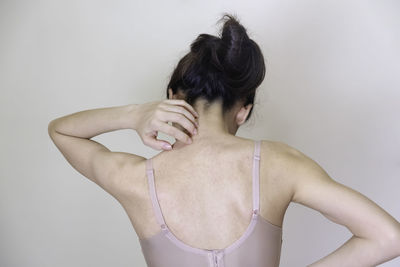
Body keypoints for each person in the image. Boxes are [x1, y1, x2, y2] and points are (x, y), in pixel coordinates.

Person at [48, 13, 400, 267]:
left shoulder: (135, 178)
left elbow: (61, 130)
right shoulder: (281, 164)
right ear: (243, 111)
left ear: (171, 98)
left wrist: (134, 114)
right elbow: (389, 237)